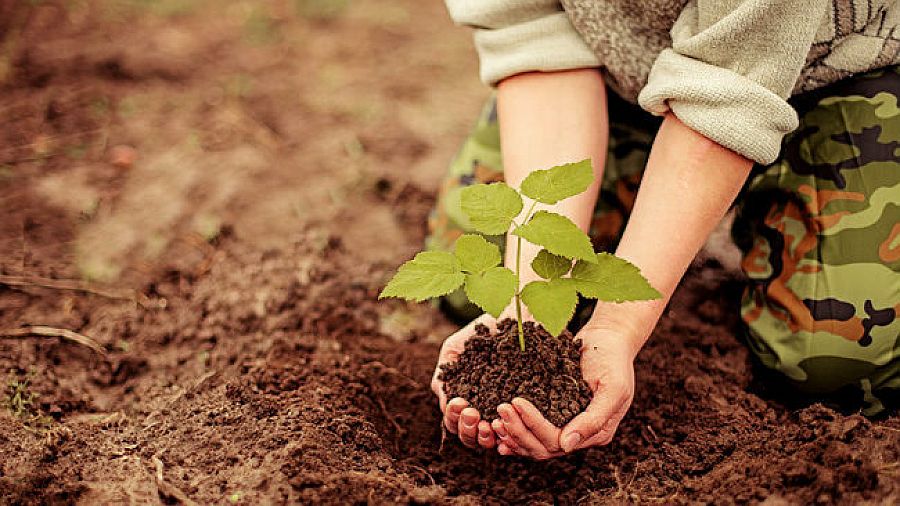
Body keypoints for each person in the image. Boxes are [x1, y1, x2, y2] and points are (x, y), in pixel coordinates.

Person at [426, 0, 900, 460]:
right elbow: (532, 37)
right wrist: (527, 303)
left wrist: (618, 324)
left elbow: (728, 92)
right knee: (480, 282)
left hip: (840, 71)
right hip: (622, 75)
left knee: (837, 360)